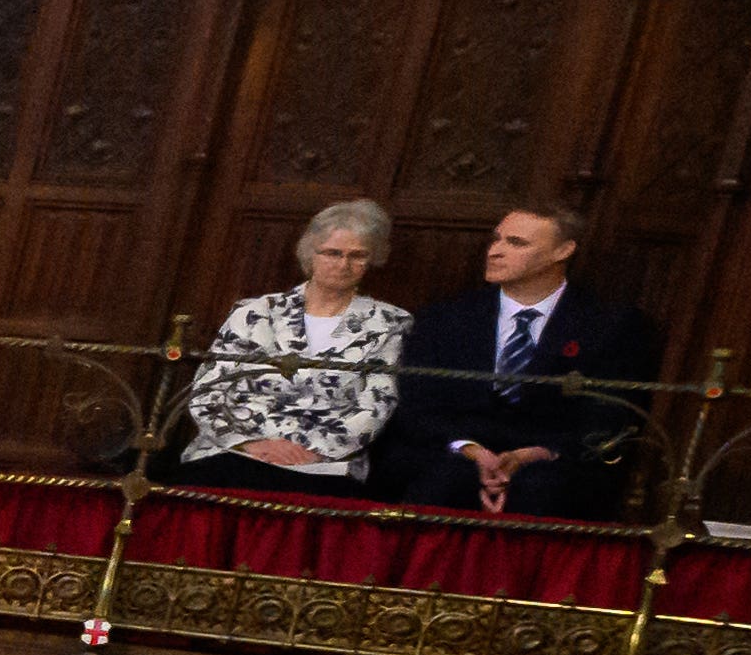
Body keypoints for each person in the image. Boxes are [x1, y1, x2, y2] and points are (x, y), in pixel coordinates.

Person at [370, 201, 662, 518]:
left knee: (548, 493)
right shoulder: (446, 317)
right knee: (438, 482)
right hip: (453, 453)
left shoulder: (609, 325)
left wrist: (531, 454)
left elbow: (612, 415)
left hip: (552, 463)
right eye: (496, 239)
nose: (495, 251)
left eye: (516, 243)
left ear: (563, 250)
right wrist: (472, 450)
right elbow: (417, 405)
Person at [177, 199, 410, 488]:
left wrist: (308, 451)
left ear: (373, 259)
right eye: (332, 253)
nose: (343, 264)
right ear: (310, 254)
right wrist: (252, 443)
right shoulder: (255, 313)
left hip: (323, 460)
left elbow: (378, 403)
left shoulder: (389, 323)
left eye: (357, 255)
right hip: (237, 450)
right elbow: (209, 391)